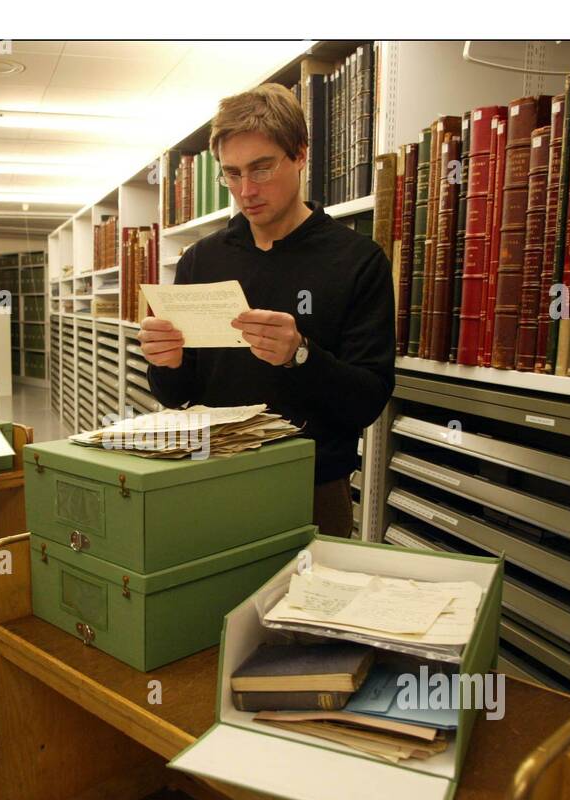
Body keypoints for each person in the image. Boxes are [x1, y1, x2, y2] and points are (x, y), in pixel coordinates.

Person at [140, 82, 395, 538]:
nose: (245, 190)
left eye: (261, 169)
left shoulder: (357, 260)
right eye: (232, 174)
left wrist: (301, 355)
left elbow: (369, 399)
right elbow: (177, 395)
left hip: (310, 489)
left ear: (300, 154)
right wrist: (166, 362)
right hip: (208, 478)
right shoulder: (201, 260)